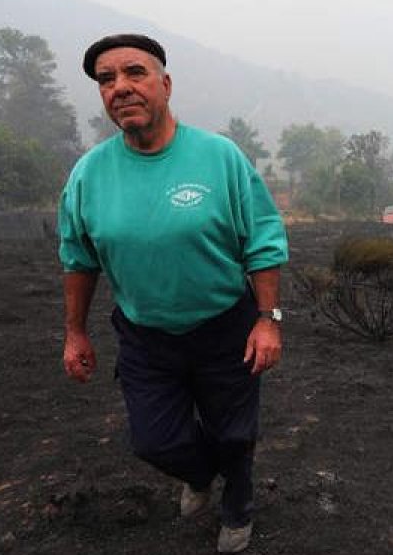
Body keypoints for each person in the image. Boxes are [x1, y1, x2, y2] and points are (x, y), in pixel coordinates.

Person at [58, 33, 288, 553]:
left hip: (225, 326)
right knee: (153, 441)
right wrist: (74, 332)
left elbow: (264, 240)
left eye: (134, 73)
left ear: (165, 83)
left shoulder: (218, 157)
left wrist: (267, 318)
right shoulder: (89, 174)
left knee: (236, 433)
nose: (121, 87)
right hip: (146, 336)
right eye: (106, 80)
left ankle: (238, 506)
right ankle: (203, 475)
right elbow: (78, 257)